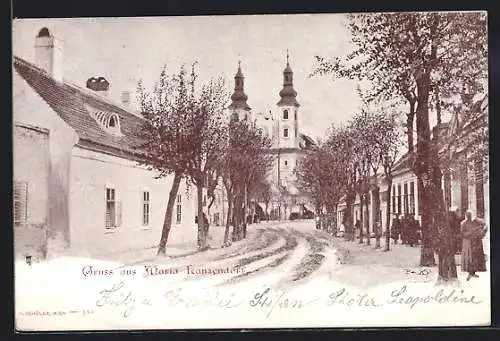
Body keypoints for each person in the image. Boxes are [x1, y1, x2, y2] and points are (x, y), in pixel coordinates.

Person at [460, 211, 487, 281]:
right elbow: (462, 233)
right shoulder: (463, 223)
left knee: (473, 257)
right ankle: (469, 273)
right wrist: (469, 233)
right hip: (467, 243)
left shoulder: (474, 222)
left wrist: (480, 232)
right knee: (469, 258)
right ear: (466, 215)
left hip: (474, 242)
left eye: (470, 215)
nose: (469, 216)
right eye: (467, 215)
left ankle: (473, 272)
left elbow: (483, 224)